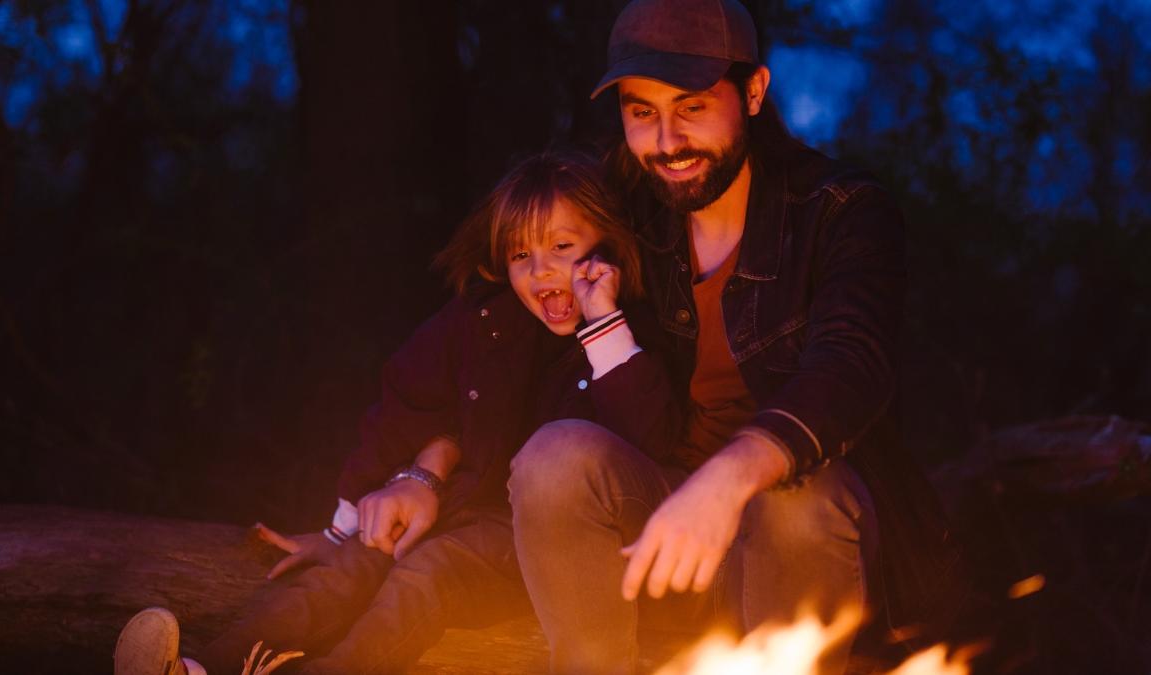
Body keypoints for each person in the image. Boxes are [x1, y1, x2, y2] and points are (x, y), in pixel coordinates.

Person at [507, 1, 959, 674]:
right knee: (552, 459)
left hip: (810, 542)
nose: (666, 141)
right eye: (641, 112)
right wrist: (419, 467)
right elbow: (502, 313)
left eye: (690, 107)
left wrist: (729, 478)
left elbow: (851, 362)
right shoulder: (626, 209)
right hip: (668, 521)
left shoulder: (842, 210)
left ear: (752, 92)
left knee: (795, 503)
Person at [113, 150, 682, 675]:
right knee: (356, 564)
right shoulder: (485, 321)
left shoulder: (633, 333)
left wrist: (604, 319)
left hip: (542, 549)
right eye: (520, 255)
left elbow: (645, 441)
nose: (540, 272)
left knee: (421, 581)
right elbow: (407, 399)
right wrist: (343, 527)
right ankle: (201, 668)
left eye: (562, 247)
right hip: (461, 509)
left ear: (606, 245)